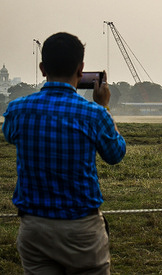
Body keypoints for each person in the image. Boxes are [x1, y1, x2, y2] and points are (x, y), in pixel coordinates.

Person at [2, 32, 126, 274]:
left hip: (34, 226)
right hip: (81, 227)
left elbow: (9, 136)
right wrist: (104, 107)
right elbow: (115, 154)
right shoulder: (94, 113)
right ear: (81, 70)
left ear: (42, 69)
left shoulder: (17, 110)